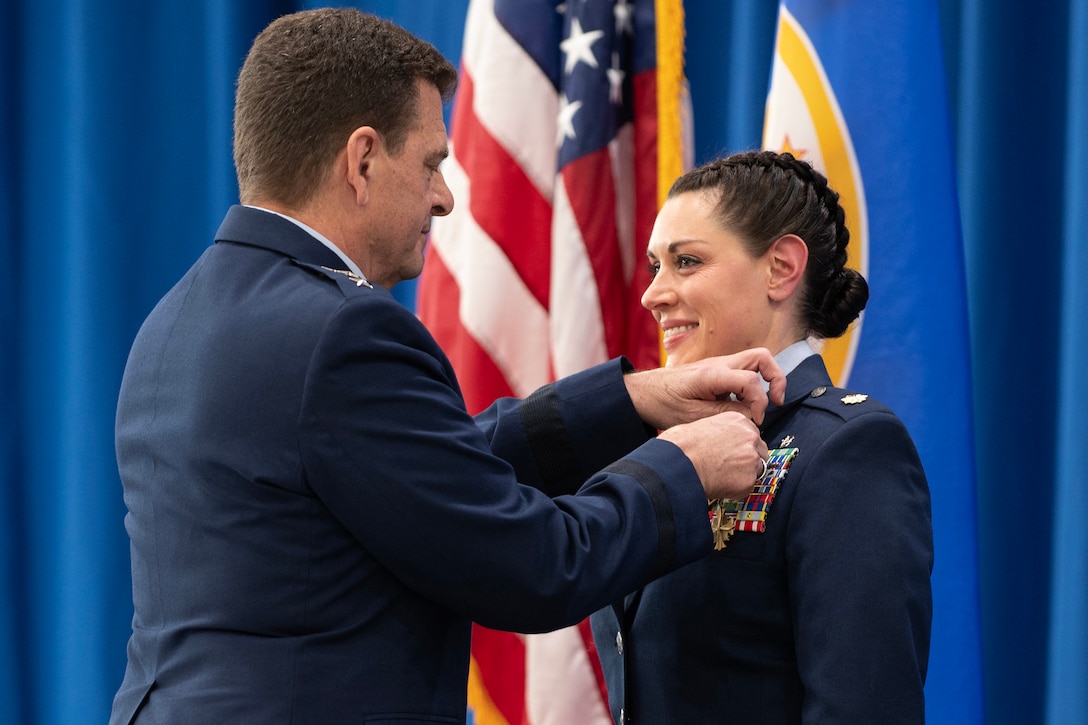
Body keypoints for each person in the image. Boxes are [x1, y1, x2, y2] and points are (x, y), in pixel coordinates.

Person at [108, 10, 787, 725]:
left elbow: (420, 470)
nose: (445, 196)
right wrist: (681, 466)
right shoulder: (343, 330)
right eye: (432, 162)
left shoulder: (174, 322)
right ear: (362, 159)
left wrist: (631, 399)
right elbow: (534, 564)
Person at [590, 150, 934, 724]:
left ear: (780, 268)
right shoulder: (659, 447)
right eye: (656, 266)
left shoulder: (849, 450)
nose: (654, 293)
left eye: (687, 261)